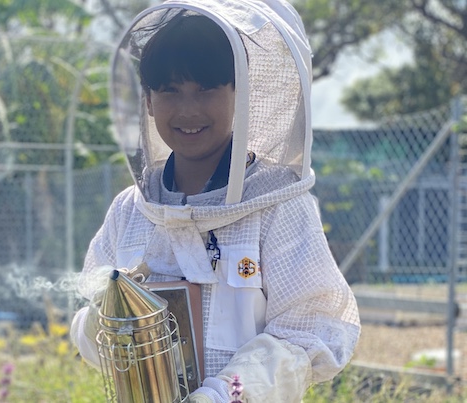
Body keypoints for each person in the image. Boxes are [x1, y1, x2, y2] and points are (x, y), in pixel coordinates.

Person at [71, 0, 361, 401]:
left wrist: (222, 395)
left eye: (205, 88)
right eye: (169, 89)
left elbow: (311, 330)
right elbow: (91, 336)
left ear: (237, 95)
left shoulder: (278, 205)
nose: (188, 109)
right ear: (148, 101)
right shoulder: (131, 209)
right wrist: (108, 313)